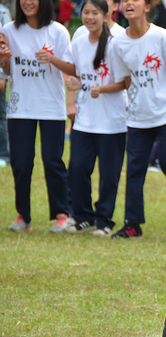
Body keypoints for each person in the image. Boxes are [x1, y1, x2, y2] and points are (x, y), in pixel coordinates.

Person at [111, 0, 166, 238]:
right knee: (134, 170)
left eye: (135, 0)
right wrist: (135, 103)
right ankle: (133, 224)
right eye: (125, 1)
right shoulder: (119, 43)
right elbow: (126, 78)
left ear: (147, 7)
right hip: (138, 118)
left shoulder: (161, 36)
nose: (129, 3)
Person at [1, 0, 76, 232]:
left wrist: (51, 59)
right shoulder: (9, 30)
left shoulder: (58, 31)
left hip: (50, 107)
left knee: (53, 162)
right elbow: (8, 70)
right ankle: (24, 216)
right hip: (20, 107)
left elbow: (73, 69)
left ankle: (62, 214)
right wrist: (4, 60)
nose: (27, 2)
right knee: (21, 164)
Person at [65, 0, 127, 236]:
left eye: (95, 13)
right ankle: (83, 216)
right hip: (85, 119)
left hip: (112, 121)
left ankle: (104, 220)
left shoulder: (115, 44)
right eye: (86, 13)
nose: (89, 17)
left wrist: (102, 89)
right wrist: (77, 85)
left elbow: (124, 83)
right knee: (78, 168)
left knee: (109, 175)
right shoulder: (79, 42)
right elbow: (79, 76)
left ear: (106, 15)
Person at [0, 3, 11, 169]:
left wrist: (2, 75)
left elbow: (6, 45)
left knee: (1, 115)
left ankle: (4, 154)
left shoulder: (3, 12)